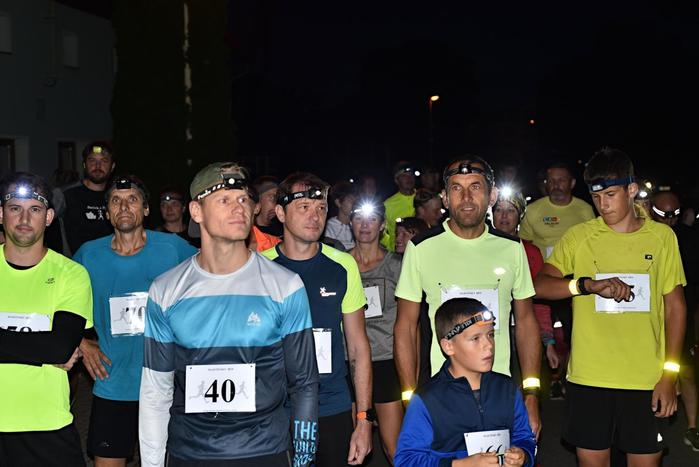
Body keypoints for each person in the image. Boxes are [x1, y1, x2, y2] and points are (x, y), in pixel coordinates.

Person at [139, 162, 319, 466]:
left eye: (244, 199)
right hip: (188, 453)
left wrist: (304, 460)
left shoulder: (285, 286)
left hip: (266, 451)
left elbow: (304, 383)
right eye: (224, 200)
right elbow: (156, 391)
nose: (239, 208)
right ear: (196, 211)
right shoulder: (165, 290)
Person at [534, 147, 686, 467]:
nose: (603, 205)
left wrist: (669, 375)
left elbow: (675, 308)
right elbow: (541, 284)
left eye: (611, 195)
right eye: (596, 196)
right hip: (590, 378)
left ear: (631, 190)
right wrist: (584, 285)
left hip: (645, 379)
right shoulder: (580, 236)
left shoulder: (662, 238)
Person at [394, 155, 542, 439]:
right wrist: (409, 398)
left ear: (491, 196)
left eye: (475, 187)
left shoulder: (512, 248)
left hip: (500, 393)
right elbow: (405, 327)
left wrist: (532, 393)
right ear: (444, 198)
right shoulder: (421, 248)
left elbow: (525, 322)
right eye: (456, 188)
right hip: (442, 397)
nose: (466, 197)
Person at [73, 175, 196, 466]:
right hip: (113, 382)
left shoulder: (173, 248)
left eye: (132, 200)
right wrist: (81, 342)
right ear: (107, 213)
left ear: (146, 209)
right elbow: (57, 301)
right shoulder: (88, 255)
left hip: (167, 381)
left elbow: (211, 278)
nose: (124, 206)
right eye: (116, 201)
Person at [262, 172, 373, 466]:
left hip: (332, 405)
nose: (315, 216)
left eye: (321, 207)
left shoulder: (342, 265)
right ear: (280, 213)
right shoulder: (260, 267)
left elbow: (358, 347)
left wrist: (364, 419)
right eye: (304, 207)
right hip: (276, 409)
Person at [0, 172, 93, 466]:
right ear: (1, 214)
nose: (24, 218)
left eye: (35, 209)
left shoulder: (71, 274)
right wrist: (42, 349)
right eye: (15, 208)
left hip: (47, 425)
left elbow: (59, 348)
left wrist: (52, 348)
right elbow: (51, 348)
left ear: (49, 217)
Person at [394, 298, 536, 467]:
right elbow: (406, 460)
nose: (489, 345)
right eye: (475, 338)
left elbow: (524, 437)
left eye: (490, 335)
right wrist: (460, 464)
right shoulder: (427, 400)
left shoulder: (507, 389)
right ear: (448, 346)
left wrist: (523, 455)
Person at [518, 161, 595, 399]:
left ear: (572, 183)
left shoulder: (584, 210)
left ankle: (568, 377)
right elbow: (524, 244)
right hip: (542, 283)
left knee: (572, 334)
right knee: (542, 332)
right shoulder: (534, 211)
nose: (556, 185)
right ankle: (545, 379)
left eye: (561, 180)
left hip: (574, 284)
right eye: (551, 181)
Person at [348, 198, 404, 462]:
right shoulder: (340, 264)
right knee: (354, 446)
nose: (364, 225)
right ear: (350, 223)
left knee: (393, 448)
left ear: (382, 225)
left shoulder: (397, 265)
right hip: (349, 363)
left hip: (385, 362)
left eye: (372, 219)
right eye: (358, 218)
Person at [492, 190, 562, 398]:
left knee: (523, 392)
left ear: (520, 216)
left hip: (523, 332)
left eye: (511, 211)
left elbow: (539, 299)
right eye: (499, 210)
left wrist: (548, 342)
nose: (504, 216)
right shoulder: (477, 249)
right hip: (489, 332)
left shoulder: (530, 252)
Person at [650, 191, 699, 451]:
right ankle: (649, 428)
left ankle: (693, 427)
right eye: (663, 214)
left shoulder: (689, 239)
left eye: (674, 214)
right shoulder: (644, 236)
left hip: (682, 314)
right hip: (648, 317)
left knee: (686, 371)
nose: (669, 219)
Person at [61, 142, 116, 255]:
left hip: (111, 262)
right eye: (92, 160)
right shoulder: (65, 195)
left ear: (112, 166)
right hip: (76, 263)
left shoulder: (118, 197)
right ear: (84, 165)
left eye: (104, 161)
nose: (98, 166)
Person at [383, 161, 418, 251]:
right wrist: (390, 244)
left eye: (411, 175)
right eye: (404, 176)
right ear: (396, 180)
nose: (409, 178)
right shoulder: (388, 204)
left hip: (421, 250)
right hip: (397, 254)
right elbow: (381, 231)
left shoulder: (422, 197)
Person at [325, 181, 358, 250]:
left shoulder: (358, 225)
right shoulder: (329, 227)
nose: (354, 204)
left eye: (355, 200)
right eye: (350, 200)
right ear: (338, 202)